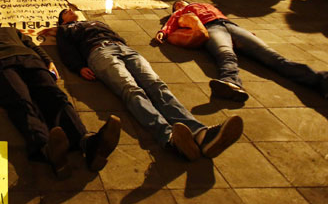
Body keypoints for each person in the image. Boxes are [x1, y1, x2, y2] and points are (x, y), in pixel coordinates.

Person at [56, 9, 243, 159]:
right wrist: (79, 67)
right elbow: (66, 49)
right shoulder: (66, 29)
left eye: (71, 9)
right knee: (131, 89)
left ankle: (201, 135)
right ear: (62, 20)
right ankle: (169, 137)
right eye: (66, 12)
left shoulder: (96, 22)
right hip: (99, 52)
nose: (71, 11)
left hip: (124, 48)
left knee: (156, 85)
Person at [0, 16, 121, 178]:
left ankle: (87, 142)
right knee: (21, 102)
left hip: (31, 61)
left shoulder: (12, 30)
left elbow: (31, 45)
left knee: (56, 97)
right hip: (0, 64)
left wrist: (48, 61)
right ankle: (46, 148)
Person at [155, 0, 328, 102]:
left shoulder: (206, 4)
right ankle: (231, 82)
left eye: (181, 1)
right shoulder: (181, 12)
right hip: (212, 29)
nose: (181, 3)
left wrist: (248, 35)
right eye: (177, 4)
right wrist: (164, 33)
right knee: (226, 54)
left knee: (273, 57)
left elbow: (223, 14)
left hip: (230, 25)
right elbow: (171, 23)